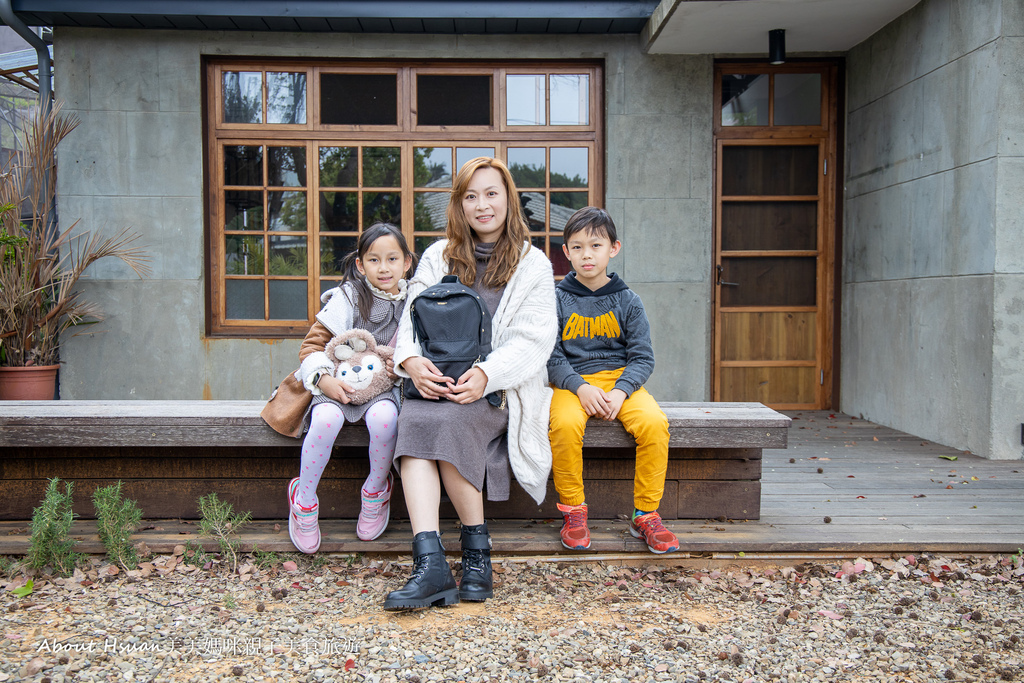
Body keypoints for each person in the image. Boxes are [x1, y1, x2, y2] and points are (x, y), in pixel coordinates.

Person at [383, 157, 558, 609]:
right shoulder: (438, 255)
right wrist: (411, 362)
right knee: (416, 422)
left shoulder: (532, 263)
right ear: (460, 204)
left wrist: (486, 374)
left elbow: (535, 340)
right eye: (471, 196)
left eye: (492, 194)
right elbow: (411, 321)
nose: (483, 205)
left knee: (454, 424)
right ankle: (432, 564)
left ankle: (477, 554)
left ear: (508, 199)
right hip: (436, 382)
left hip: (499, 388)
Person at [261, 222, 416, 552]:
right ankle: (303, 499)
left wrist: (400, 365)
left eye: (392, 259)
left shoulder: (413, 301)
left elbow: (417, 349)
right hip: (336, 384)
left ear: (406, 262)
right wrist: (323, 379)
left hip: (381, 389)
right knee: (326, 421)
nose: (384, 267)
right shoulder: (348, 297)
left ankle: (376, 491)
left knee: (385, 420)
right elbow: (311, 346)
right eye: (374, 260)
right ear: (360, 265)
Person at [547, 206, 679, 554]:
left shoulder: (628, 301)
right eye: (576, 247)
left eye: (595, 245)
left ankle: (646, 513)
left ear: (613, 248)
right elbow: (550, 356)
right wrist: (580, 387)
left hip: (621, 383)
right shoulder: (555, 300)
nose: (586, 255)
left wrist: (621, 391)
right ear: (566, 253)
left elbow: (642, 357)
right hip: (572, 384)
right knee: (562, 425)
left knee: (654, 424)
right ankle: (574, 511)